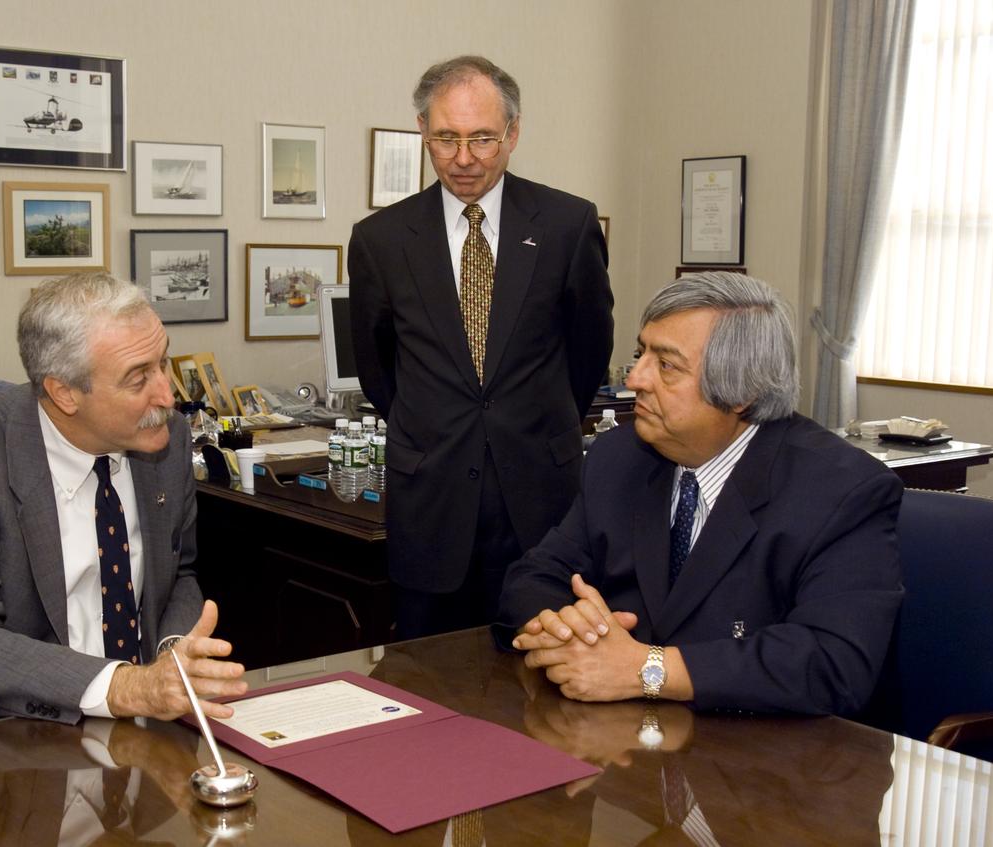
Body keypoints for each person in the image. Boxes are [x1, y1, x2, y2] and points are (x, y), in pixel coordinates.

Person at [498, 272, 903, 715]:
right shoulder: (619, 457)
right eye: (641, 353)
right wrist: (567, 629)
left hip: (772, 758)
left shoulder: (842, 490)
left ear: (742, 392)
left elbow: (832, 663)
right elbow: (535, 577)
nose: (635, 378)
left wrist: (647, 668)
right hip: (630, 742)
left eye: (666, 365)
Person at [0, 273, 246, 738]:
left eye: (163, 362)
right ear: (64, 393)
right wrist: (124, 687)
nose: (167, 396)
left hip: (136, 730)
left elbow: (179, 574)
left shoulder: (165, 439)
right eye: (139, 378)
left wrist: (174, 656)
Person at [349, 55, 614, 639]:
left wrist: (534, 421)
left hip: (540, 498)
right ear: (422, 130)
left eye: (482, 139)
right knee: (429, 682)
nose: (463, 158)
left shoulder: (568, 226)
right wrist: (437, 422)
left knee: (544, 685)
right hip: (431, 500)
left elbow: (589, 352)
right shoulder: (381, 240)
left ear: (513, 133)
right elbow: (378, 368)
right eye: (445, 138)